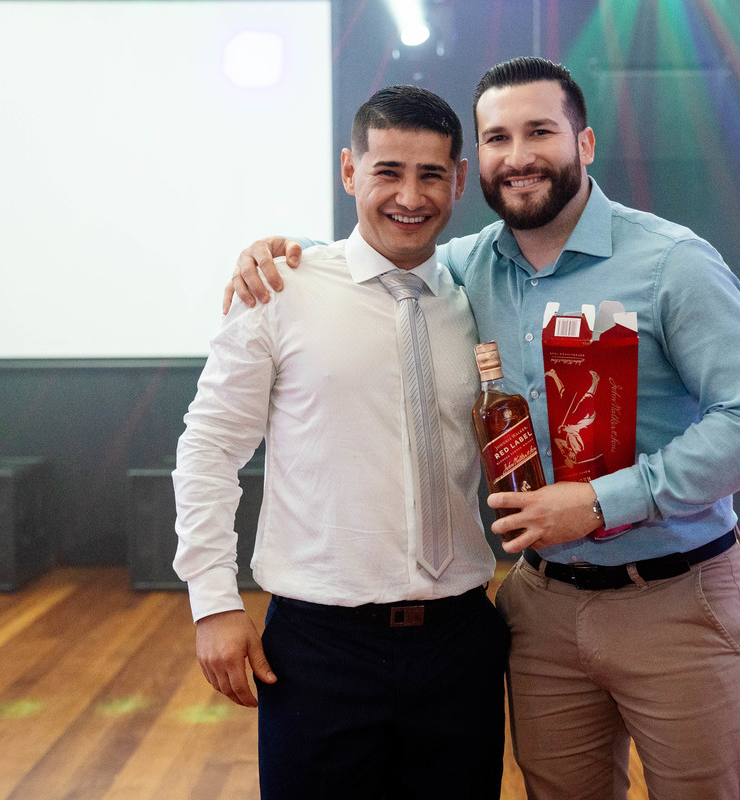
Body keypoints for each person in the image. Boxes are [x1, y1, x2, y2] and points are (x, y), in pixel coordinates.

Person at [229, 57, 740, 800]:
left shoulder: (671, 263)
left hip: (674, 599)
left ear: (584, 144)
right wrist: (280, 254)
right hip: (541, 607)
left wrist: (600, 503)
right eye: (498, 137)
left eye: (540, 132)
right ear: (478, 165)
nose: (519, 155)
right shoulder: (464, 269)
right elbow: (378, 251)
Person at [172, 85, 509, 800]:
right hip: (322, 649)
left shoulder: (475, 294)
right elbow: (207, 449)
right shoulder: (279, 287)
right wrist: (213, 600)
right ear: (350, 171)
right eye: (388, 171)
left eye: (430, 175)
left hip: (461, 641)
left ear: (458, 179)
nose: (409, 196)